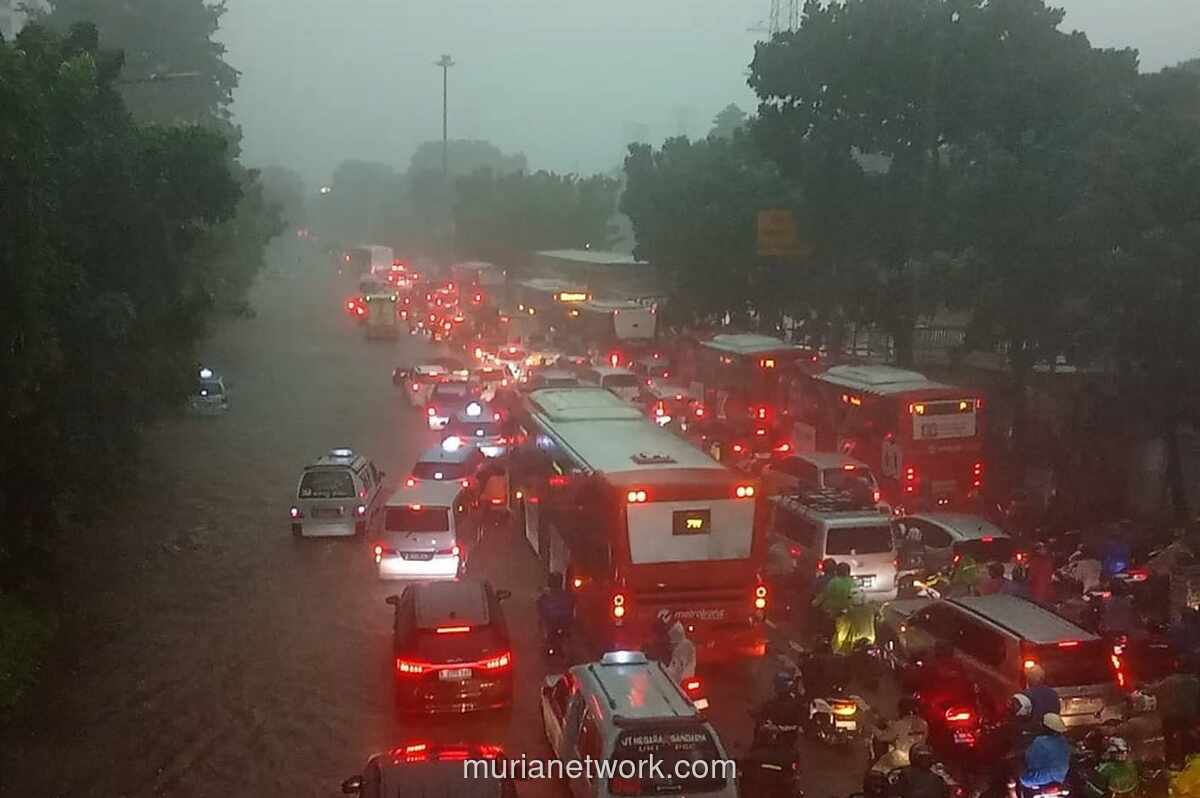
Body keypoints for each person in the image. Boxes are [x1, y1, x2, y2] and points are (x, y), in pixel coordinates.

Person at [1147, 665, 1200, 768]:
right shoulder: (1196, 682)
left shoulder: (1169, 681)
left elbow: (1153, 690)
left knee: (1169, 742)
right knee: (1188, 741)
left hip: (1170, 718)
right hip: (1189, 718)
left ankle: (1170, 764)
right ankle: (1188, 764)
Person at [872, 696, 931, 772]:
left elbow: (882, 737)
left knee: (876, 770)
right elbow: (907, 730)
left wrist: (872, 727)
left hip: (900, 759)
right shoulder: (924, 723)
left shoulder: (899, 725)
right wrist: (884, 721)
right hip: (919, 759)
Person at [1018, 714, 1072, 792]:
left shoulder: (1040, 741)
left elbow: (1030, 760)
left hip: (1040, 779)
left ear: (1045, 726)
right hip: (1060, 778)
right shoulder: (1063, 741)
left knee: (1018, 775)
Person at [536, 572, 575, 640]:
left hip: (557, 626)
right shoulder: (567, 595)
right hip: (559, 626)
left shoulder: (546, 596)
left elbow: (540, 608)